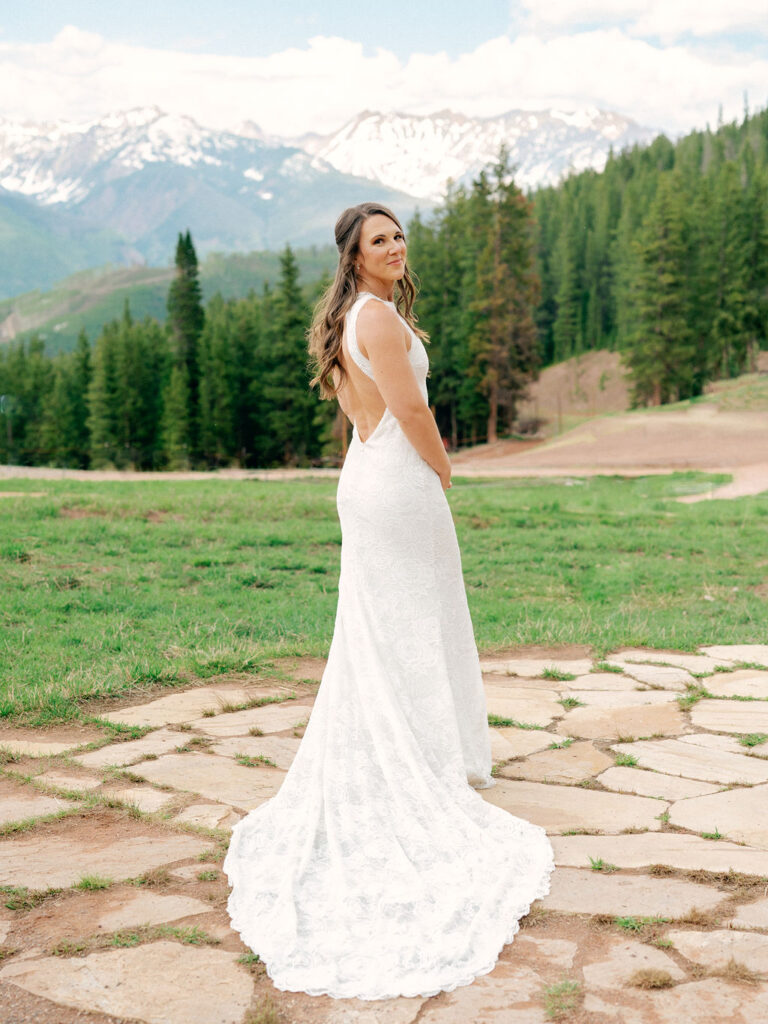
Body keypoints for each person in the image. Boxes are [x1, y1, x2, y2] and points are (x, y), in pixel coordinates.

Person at [223, 202, 555, 1002]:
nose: (396, 246)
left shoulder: (354, 317)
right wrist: (443, 470)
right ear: (354, 255)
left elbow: (363, 417)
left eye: (399, 234)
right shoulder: (374, 320)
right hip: (398, 479)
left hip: (370, 477)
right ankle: (419, 763)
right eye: (381, 239)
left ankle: (421, 747)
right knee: (408, 626)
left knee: (392, 629)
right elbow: (408, 412)